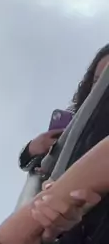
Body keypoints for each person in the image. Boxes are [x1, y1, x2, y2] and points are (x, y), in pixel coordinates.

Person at [18, 43, 109, 173]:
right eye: (97, 81)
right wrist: (32, 149)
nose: (102, 89)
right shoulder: (75, 129)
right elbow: (30, 165)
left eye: (106, 82)